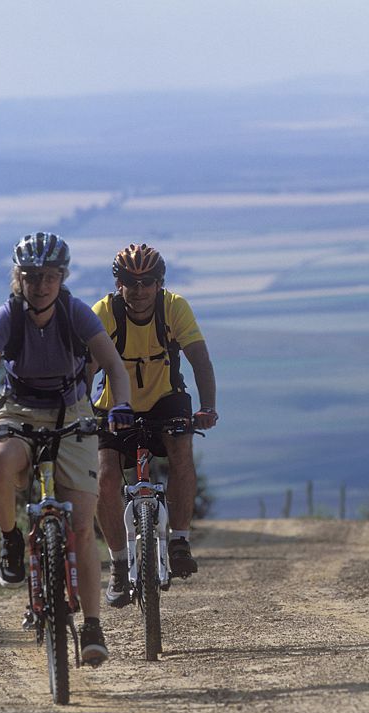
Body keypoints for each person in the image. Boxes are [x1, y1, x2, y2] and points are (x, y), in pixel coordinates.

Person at [0, 231, 133, 665]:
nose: (41, 285)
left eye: (50, 276)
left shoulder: (75, 314)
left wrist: (121, 404)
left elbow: (112, 364)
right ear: (19, 278)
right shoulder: (7, 317)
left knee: (81, 527)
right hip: (16, 411)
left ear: (61, 277)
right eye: (32, 276)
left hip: (72, 413)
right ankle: (11, 540)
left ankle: (92, 626)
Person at [90, 243, 218, 608]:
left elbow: (199, 359)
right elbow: (84, 369)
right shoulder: (105, 312)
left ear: (160, 283)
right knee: (106, 477)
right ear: (119, 284)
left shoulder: (173, 307)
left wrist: (208, 407)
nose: (140, 290)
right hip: (115, 406)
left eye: (149, 282)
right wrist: (79, 410)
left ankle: (178, 540)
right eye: (132, 282)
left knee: (181, 451)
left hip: (166, 398)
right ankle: (117, 563)